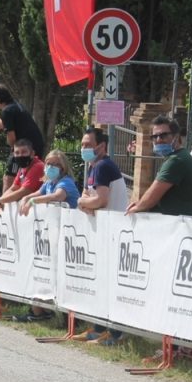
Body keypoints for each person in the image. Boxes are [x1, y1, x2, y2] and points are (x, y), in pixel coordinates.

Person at [75, 127, 127, 345]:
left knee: (111, 286)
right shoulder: (94, 166)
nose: (84, 148)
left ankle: (115, 334)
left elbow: (100, 200)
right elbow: (90, 196)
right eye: (82, 144)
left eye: (88, 144)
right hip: (104, 232)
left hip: (113, 232)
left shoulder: (103, 166)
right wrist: (87, 201)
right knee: (101, 284)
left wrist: (82, 202)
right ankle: (98, 329)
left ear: (102, 146)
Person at [14, 149, 80, 322]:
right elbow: (37, 193)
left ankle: (67, 317)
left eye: (55, 164)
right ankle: (39, 311)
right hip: (51, 235)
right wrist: (25, 198)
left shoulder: (65, 182)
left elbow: (58, 196)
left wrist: (33, 201)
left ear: (63, 167)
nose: (50, 167)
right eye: (48, 163)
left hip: (69, 236)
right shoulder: (49, 182)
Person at [0, 84, 45, 192]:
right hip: (34, 147)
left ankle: (4, 201)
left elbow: (11, 138)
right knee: (25, 178)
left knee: (9, 178)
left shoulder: (7, 112)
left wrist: (13, 151)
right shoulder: (14, 107)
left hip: (25, 149)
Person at [125, 115, 192, 216]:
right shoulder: (179, 156)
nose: (158, 140)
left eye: (163, 135)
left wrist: (136, 208)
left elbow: (151, 198)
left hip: (176, 222)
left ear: (176, 136)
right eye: (154, 137)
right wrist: (139, 204)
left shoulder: (176, 160)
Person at [0, 139, 44, 215]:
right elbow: (13, 188)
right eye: (17, 153)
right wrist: (0, 201)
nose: (20, 155)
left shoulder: (38, 166)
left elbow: (24, 191)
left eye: (24, 152)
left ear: (32, 153)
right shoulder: (23, 168)